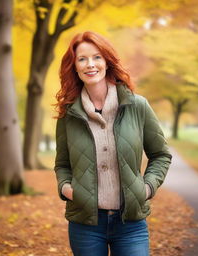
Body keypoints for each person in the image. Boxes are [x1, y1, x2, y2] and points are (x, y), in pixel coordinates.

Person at [54, 31, 172, 256]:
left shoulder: (137, 106)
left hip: (131, 223)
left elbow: (160, 155)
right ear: (75, 67)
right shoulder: (68, 114)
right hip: (85, 225)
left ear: (107, 62)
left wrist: (146, 188)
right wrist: (67, 189)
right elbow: (62, 164)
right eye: (82, 59)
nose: (90, 64)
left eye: (97, 57)